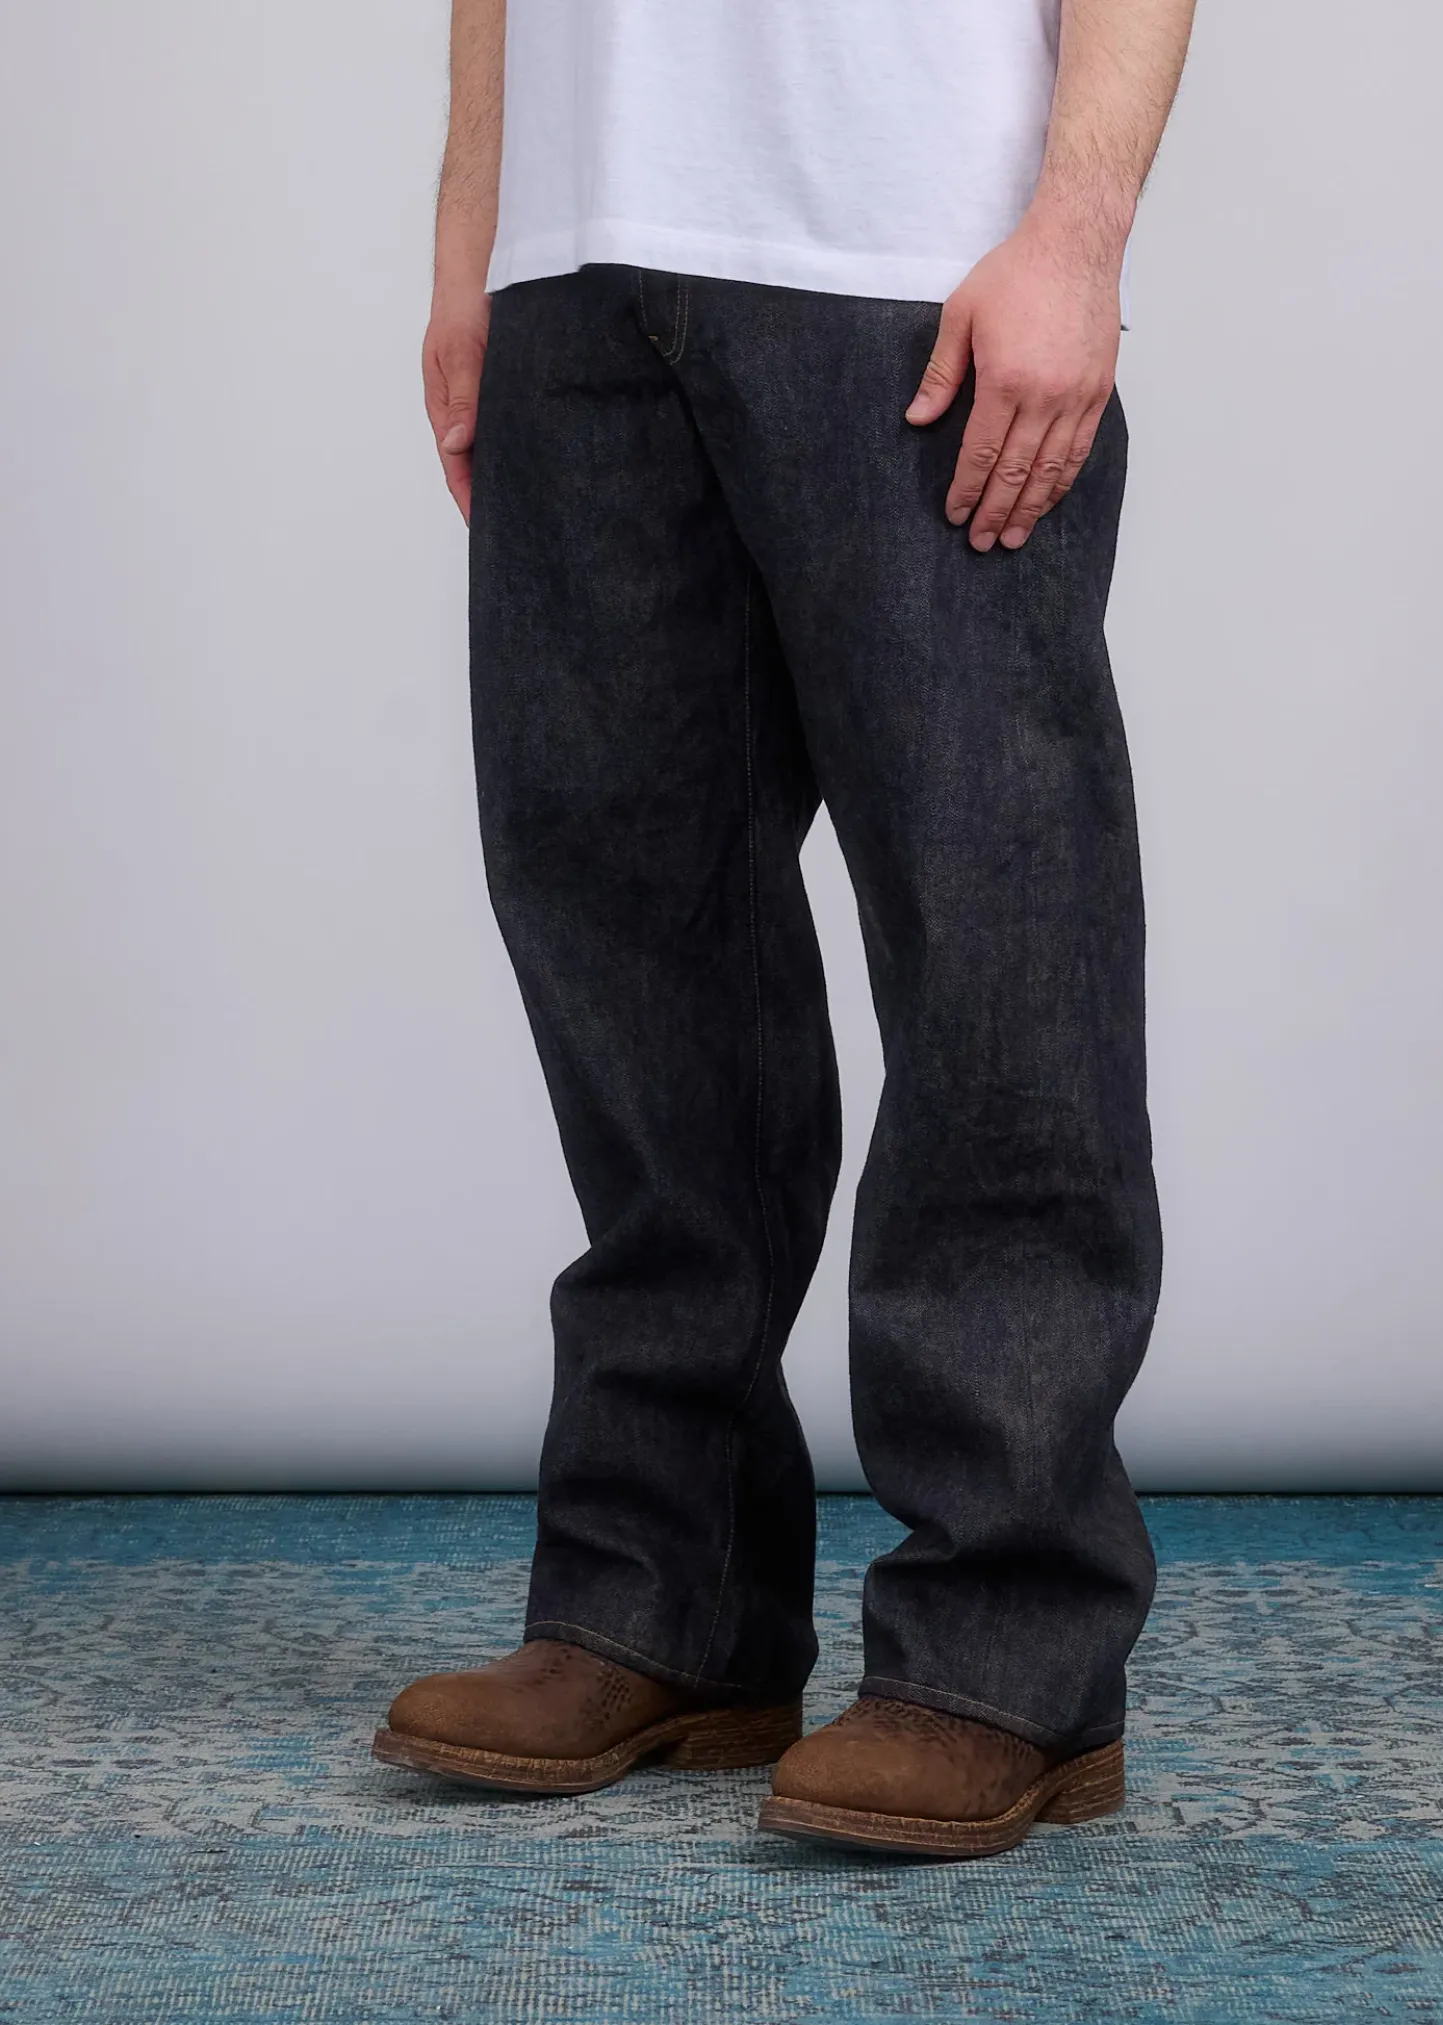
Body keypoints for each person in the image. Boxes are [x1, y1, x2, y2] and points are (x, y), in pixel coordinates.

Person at [372, 0, 1196, 1860]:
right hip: (582, 263)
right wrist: (477, 245)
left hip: (917, 255)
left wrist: (1075, 237)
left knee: (994, 935)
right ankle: (658, 1609)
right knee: (627, 944)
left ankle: (1006, 1651)